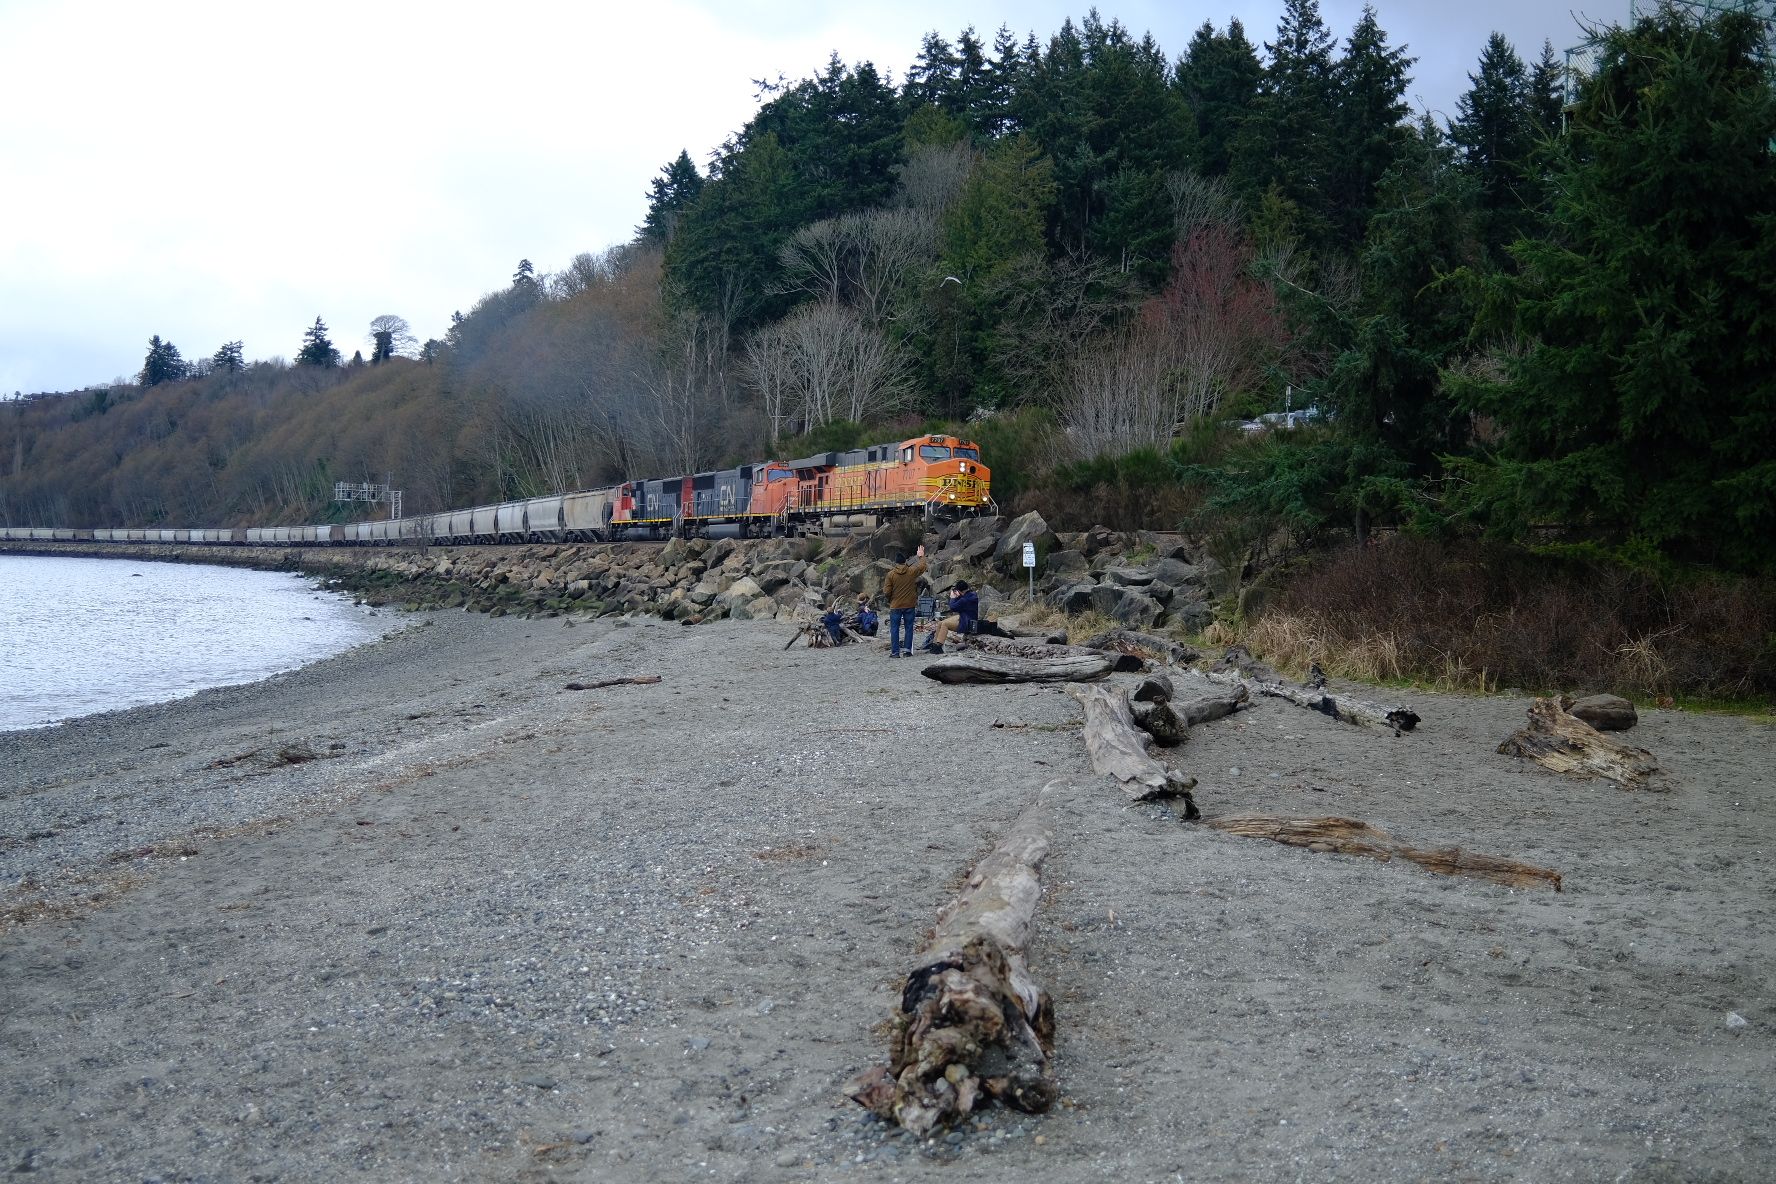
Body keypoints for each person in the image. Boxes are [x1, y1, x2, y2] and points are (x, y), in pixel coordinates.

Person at [881, 544, 926, 658]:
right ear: (905, 561)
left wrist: (890, 599)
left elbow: (886, 592)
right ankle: (907, 651)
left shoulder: (890, 574)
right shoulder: (911, 571)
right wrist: (921, 556)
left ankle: (895, 652)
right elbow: (922, 567)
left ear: (895, 563)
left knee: (894, 629)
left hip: (895, 605)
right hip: (909, 604)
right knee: (909, 627)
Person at [921, 581, 978, 653]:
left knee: (945, 624)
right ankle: (934, 644)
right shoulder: (972, 594)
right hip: (966, 617)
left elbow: (953, 607)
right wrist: (958, 596)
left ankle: (938, 646)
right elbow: (961, 602)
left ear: (959, 591)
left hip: (967, 623)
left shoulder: (964, 600)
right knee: (940, 623)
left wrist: (953, 598)